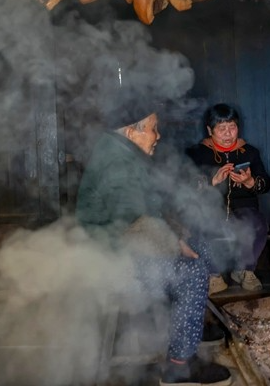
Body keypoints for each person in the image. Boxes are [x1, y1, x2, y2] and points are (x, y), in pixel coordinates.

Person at [76, 102, 232, 386]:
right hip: (112, 262)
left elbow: (147, 212)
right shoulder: (117, 164)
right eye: (153, 129)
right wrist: (176, 244)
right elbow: (139, 226)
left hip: (125, 247)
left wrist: (178, 235)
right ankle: (179, 367)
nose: (157, 135)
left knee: (203, 249)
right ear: (131, 132)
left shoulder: (121, 152)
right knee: (193, 270)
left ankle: (188, 327)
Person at [186, 104, 270, 293]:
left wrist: (250, 181)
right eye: (221, 128)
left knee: (257, 223)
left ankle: (244, 270)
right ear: (210, 130)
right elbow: (185, 186)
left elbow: (266, 184)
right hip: (210, 208)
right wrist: (212, 181)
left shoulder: (249, 152)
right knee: (202, 224)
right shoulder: (197, 153)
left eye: (232, 127)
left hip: (243, 207)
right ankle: (213, 274)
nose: (228, 134)